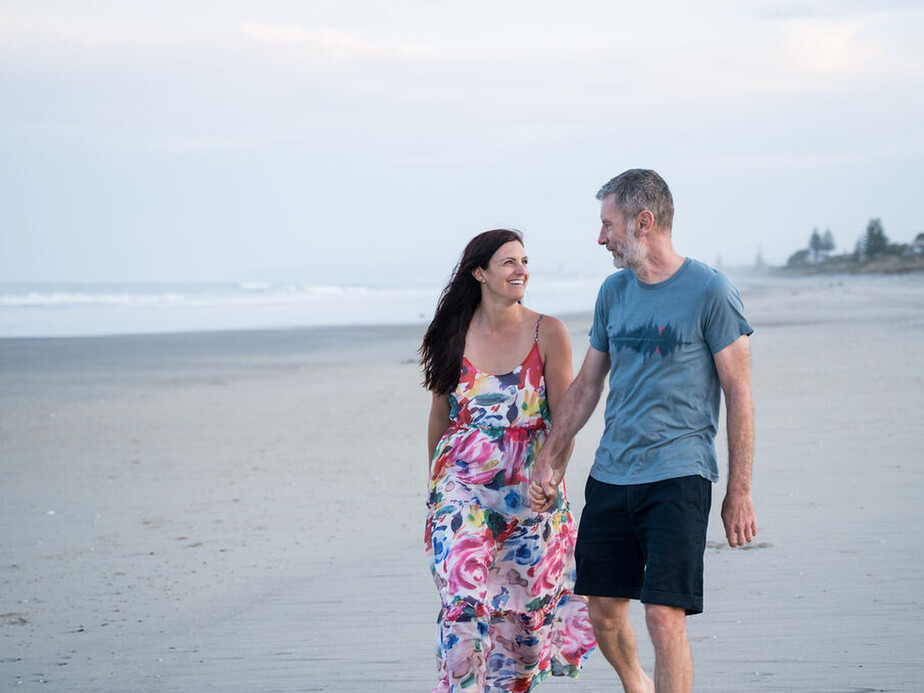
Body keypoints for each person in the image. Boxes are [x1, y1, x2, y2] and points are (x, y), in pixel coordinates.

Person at [530, 169, 758, 693]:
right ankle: (638, 683)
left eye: (608, 224)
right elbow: (588, 384)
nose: (601, 237)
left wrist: (739, 491)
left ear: (643, 222)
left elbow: (739, 393)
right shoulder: (614, 292)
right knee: (603, 610)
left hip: (679, 474)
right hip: (612, 474)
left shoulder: (711, 291)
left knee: (663, 614)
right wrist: (550, 457)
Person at [420, 229, 597, 693]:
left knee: (523, 632)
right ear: (479, 273)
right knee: (462, 605)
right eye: (509, 262)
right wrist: (437, 492)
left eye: (524, 261)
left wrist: (552, 475)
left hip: (530, 494)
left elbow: (564, 420)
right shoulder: (450, 334)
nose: (522, 270)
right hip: (461, 491)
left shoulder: (548, 332)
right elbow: (440, 416)